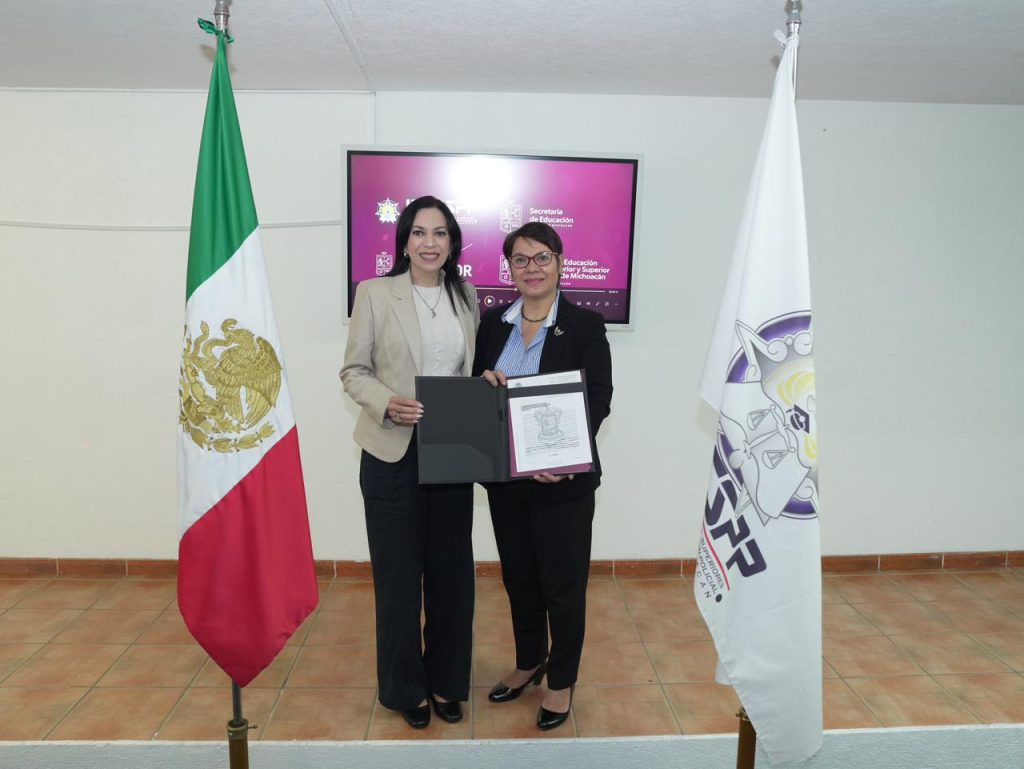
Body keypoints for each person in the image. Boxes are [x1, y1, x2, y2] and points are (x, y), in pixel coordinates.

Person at [340, 195, 479, 729]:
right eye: (419, 232)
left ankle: (446, 682)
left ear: (452, 243)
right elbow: (354, 371)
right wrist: (386, 402)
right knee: (398, 579)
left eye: (440, 233)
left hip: (452, 450)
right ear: (404, 241)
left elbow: (469, 371)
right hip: (391, 451)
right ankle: (405, 688)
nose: (429, 242)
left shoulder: (466, 296)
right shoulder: (374, 293)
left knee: (451, 577)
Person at [473, 221, 613, 730]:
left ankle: (561, 680)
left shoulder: (584, 325)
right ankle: (529, 661)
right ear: (509, 268)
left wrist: (565, 457)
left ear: (559, 262)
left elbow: (598, 398)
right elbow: (477, 391)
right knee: (519, 579)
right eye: (520, 259)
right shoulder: (492, 324)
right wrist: (482, 384)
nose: (531, 268)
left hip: (563, 484)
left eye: (541, 258)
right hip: (506, 480)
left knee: (562, 585)